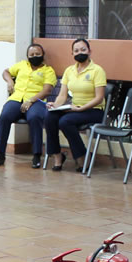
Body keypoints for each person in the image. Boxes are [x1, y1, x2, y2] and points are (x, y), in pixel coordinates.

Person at [45, 38, 107, 172]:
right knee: (50, 117)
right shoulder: (69, 71)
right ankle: (57, 156)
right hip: (75, 109)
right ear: (72, 54)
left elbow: (99, 97)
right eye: (76, 50)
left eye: (83, 49)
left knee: (65, 121)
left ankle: (82, 158)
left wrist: (81, 109)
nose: (80, 52)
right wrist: (55, 105)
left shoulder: (97, 70)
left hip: (94, 110)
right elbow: (62, 95)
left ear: (90, 51)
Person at [0, 44, 56, 168]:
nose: (34, 57)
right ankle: (0, 154)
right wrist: (10, 81)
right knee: (5, 116)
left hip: (36, 101)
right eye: (31, 55)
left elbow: (47, 90)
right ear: (27, 56)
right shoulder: (22, 65)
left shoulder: (48, 70)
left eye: (37, 54)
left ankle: (37, 155)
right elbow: (5, 72)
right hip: (16, 99)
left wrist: (31, 100)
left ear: (43, 55)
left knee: (35, 118)